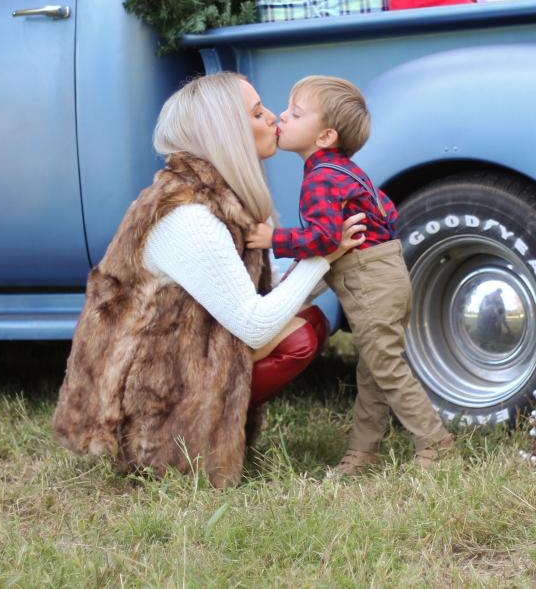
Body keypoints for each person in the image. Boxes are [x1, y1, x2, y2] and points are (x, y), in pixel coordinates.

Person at [52, 72, 366, 488]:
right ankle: (176, 447)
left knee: (306, 319)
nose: (273, 118)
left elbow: (274, 293)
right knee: (297, 334)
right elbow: (254, 322)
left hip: (179, 364)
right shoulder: (189, 215)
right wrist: (322, 256)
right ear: (226, 132)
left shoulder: (223, 197)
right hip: (153, 401)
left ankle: (211, 431)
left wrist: (335, 257)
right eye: (257, 112)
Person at [246, 75, 455, 477]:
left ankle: (436, 444)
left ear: (325, 135)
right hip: (388, 272)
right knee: (373, 370)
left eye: (295, 112)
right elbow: (388, 212)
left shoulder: (321, 178)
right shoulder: (346, 171)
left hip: (370, 281)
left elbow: (324, 238)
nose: (282, 117)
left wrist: (274, 237)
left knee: (387, 368)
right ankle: (363, 453)